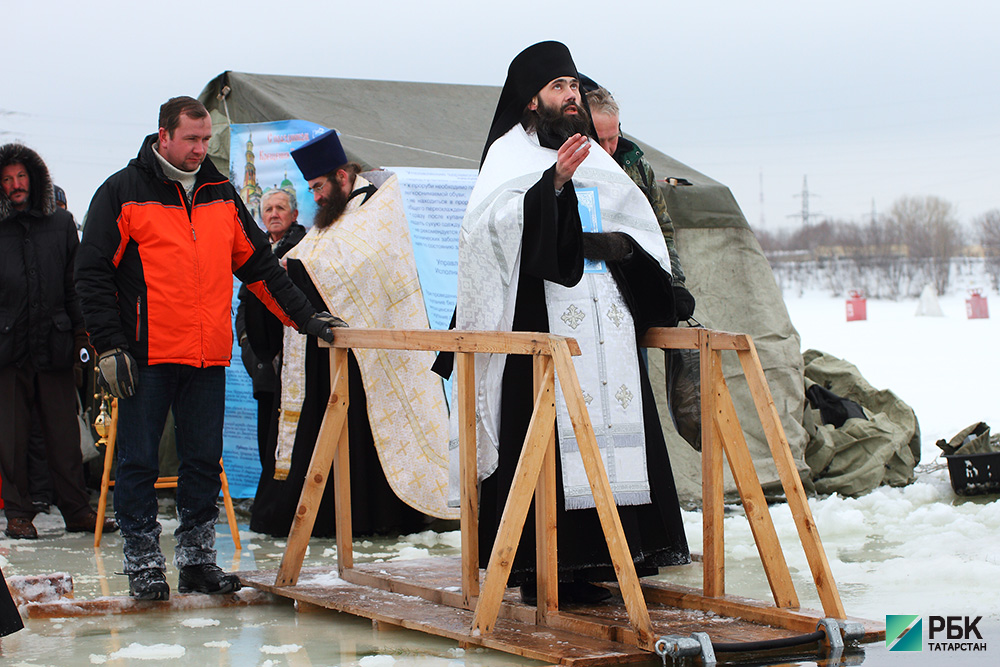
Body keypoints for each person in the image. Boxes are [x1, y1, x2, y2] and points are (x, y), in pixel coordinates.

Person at [444, 41, 690, 603]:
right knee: (546, 440)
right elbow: (485, 238)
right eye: (559, 88)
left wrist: (617, 246)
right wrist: (551, 186)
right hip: (541, 326)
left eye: (575, 87)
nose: (572, 97)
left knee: (614, 433)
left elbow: (642, 231)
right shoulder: (507, 157)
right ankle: (540, 566)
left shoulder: (597, 157)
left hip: (608, 328)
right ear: (531, 100)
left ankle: (609, 558)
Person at [76, 96, 343, 601]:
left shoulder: (221, 193)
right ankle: (143, 564)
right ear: (164, 138)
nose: (201, 149)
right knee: (138, 462)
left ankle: (197, 562)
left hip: (206, 356)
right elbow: (91, 274)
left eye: (206, 140)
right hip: (145, 356)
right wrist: (109, 347)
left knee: (202, 460)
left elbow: (259, 268)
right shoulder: (121, 193)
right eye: (191, 140)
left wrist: (306, 318)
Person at [246, 130, 457, 537]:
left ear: (342, 177)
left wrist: (294, 272)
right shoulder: (332, 220)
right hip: (322, 352)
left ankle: (366, 517)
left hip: (369, 360)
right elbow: (315, 261)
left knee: (360, 439)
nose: (316, 198)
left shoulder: (377, 210)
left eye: (319, 187)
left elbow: (358, 268)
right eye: (310, 190)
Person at [0, 143, 117, 540]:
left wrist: (84, 336)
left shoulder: (61, 224)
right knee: (12, 437)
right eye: (7, 179)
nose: (16, 185)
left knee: (64, 433)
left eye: (21, 177)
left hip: (56, 343)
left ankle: (76, 509)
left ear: (34, 179)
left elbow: (76, 284)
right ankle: (18, 512)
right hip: (8, 349)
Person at [585, 85, 695, 320]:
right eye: (598, 139)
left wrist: (675, 285)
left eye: (612, 139)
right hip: (588, 296)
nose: (607, 149)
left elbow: (661, 229)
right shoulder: (569, 168)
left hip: (636, 292)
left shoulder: (637, 167)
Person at [235, 188, 306, 469]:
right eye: (268, 209)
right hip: (263, 362)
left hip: (293, 360)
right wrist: (245, 342)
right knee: (267, 436)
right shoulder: (257, 251)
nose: (274, 214)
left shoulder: (306, 246)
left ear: (295, 214)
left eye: (281, 208)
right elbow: (243, 304)